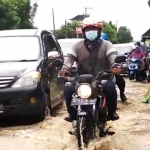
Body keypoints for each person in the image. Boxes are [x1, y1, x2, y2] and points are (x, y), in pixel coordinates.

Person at [59, 17, 121, 122]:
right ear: (83, 32)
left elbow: (112, 57)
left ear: (99, 31)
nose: (90, 32)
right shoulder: (77, 45)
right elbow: (69, 59)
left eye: (93, 29)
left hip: (102, 77)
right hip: (82, 79)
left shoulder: (107, 45)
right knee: (69, 88)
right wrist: (65, 68)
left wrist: (115, 66)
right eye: (88, 29)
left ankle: (111, 113)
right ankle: (73, 115)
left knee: (110, 88)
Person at [101, 33, 127, 102]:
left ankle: (122, 93)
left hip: (108, 72)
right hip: (93, 73)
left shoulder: (112, 50)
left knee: (120, 81)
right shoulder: (89, 50)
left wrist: (116, 67)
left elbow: (115, 60)